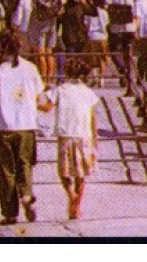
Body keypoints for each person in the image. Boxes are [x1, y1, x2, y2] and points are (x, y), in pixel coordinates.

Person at [0, 32, 44, 225]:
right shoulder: (31, 68)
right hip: (26, 124)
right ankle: (26, 193)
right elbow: (38, 95)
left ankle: (10, 213)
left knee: (5, 169)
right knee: (25, 163)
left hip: (2, 126)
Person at [38, 57, 99, 219]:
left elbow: (46, 107)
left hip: (66, 136)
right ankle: (77, 204)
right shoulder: (88, 92)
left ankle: (71, 195)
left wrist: (32, 102)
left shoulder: (60, 89)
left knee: (64, 171)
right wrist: (94, 139)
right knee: (81, 173)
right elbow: (93, 118)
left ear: (66, 72)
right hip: (84, 136)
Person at [13, 0, 62, 81]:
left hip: (39, 16)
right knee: (49, 50)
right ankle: (49, 78)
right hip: (51, 16)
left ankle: (43, 79)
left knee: (40, 50)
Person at [103, 0, 140, 90]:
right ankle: (128, 74)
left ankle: (122, 69)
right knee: (127, 51)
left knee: (114, 50)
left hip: (117, 25)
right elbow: (138, 1)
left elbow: (107, 5)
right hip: (129, 26)